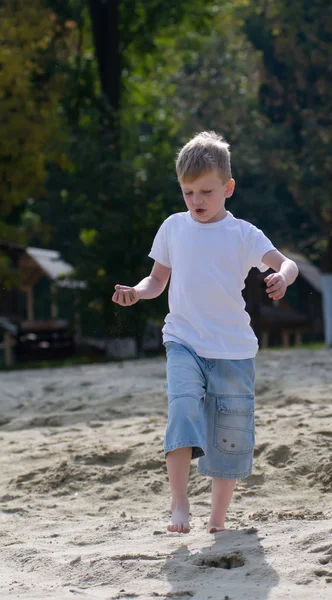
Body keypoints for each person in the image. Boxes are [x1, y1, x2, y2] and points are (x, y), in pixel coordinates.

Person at [112, 131, 298, 534]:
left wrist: (282, 277)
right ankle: (179, 503)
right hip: (183, 340)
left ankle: (217, 520)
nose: (196, 200)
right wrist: (136, 293)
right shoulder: (173, 229)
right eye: (188, 192)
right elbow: (156, 281)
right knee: (182, 409)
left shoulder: (244, 233)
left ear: (228, 188)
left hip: (233, 349)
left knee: (229, 434)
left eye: (206, 191)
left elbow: (287, 264)